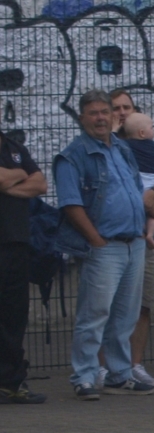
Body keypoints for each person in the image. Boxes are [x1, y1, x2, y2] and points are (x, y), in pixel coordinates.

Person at [54, 89, 153, 399]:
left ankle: (119, 375)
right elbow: (70, 204)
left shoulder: (122, 149)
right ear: (82, 117)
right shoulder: (72, 156)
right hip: (104, 246)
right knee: (94, 314)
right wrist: (95, 240)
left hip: (133, 243)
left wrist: (140, 231)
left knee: (125, 316)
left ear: (113, 116)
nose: (100, 118)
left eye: (104, 112)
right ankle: (84, 377)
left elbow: (135, 188)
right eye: (93, 113)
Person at [105, 89, 154, 388]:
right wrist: (146, 203)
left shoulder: (147, 146)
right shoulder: (108, 146)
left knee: (145, 303)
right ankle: (104, 367)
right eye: (116, 108)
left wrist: (153, 194)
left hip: (152, 236)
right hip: (119, 237)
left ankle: (135, 365)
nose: (122, 112)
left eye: (127, 107)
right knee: (110, 304)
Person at [0, 128, 48, 404]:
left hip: (17, 242)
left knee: (14, 316)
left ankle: (12, 382)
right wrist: (20, 174)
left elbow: (40, 184)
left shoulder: (14, 147)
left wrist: (9, 181)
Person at [122, 113, 154, 251]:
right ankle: (150, 234)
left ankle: (141, 231)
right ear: (142, 133)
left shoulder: (124, 146)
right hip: (152, 183)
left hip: (138, 185)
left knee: (140, 213)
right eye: (152, 128)